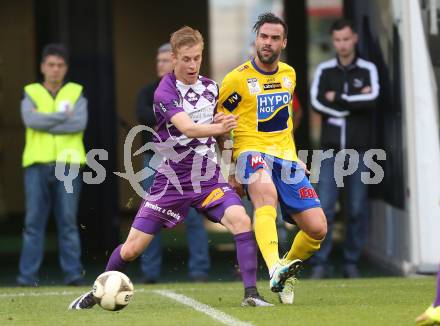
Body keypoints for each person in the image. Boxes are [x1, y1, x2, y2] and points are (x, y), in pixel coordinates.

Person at [69, 26, 272, 309]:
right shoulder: (164, 92)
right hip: (171, 181)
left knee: (241, 219)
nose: (192, 65)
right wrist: (219, 125)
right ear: (174, 58)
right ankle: (97, 291)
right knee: (131, 249)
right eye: (186, 59)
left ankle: (251, 294)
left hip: (207, 179)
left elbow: (221, 136)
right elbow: (188, 128)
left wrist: (231, 168)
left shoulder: (211, 88)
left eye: (197, 58)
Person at [217, 12, 327, 305]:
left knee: (317, 228)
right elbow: (220, 129)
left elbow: (286, 120)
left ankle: (286, 272)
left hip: (286, 158)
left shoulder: (289, 75)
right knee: (266, 195)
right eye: (263, 37)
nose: (267, 43)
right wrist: (229, 170)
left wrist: (294, 157)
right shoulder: (236, 80)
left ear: (284, 42)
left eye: (274, 38)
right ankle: (274, 265)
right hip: (250, 152)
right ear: (256, 39)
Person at [309, 19, 379, 279]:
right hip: (329, 151)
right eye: (337, 40)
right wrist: (353, 104)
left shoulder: (368, 69)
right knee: (324, 207)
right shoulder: (325, 70)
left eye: (346, 39)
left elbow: (372, 99)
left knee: (357, 208)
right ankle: (321, 263)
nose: (342, 44)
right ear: (334, 41)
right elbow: (317, 102)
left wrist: (338, 99)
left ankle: (351, 261)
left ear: (355, 39)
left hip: (361, 151)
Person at [135, 43, 210, 283]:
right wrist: (176, 117)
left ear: (174, 61)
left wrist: (174, 116)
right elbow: (143, 115)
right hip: (155, 158)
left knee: (194, 217)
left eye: (164, 60)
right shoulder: (147, 92)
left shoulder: (190, 91)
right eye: (157, 61)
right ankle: (150, 272)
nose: (160, 65)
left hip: (187, 158)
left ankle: (199, 270)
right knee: (150, 216)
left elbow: (197, 119)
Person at [17, 43, 88, 286]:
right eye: (50, 65)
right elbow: (30, 121)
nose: (55, 69)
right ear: (42, 67)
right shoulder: (31, 91)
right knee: (33, 223)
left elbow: (78, 124)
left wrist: (44, 119)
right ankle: (27, 277)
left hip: (69, 165)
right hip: (37, 164)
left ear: (65, 68)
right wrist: (61, 118)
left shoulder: (76, 91)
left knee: (67, 221)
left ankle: (73, 275)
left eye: (59, 65)